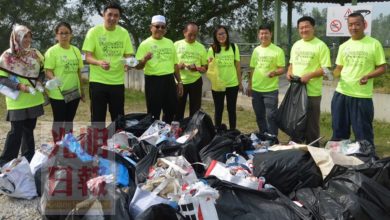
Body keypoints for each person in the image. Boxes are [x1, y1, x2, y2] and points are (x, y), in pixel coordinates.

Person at [331, 12, 386, 145]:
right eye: (350, 24)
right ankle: (340, 160)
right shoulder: (344, 46)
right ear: (347, 26)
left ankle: (366, 160)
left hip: (361, 96)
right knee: (339, 130)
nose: (353, 27)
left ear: (364, 25)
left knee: (363, 132)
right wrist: (333, 74)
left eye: (357, 24)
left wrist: (368, 75)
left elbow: (383, 68)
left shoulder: (374, 44)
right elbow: (339, 68)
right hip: (341, 93)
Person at [82, 2, 134, 127]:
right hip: (98, 81)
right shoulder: (93, 32)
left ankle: (116, 145)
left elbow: (128, 55)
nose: (112, 18)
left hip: (117, 82)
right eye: (109, 14)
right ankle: (98, 145)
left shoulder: (124, 33)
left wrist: (128, 63)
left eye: (116, 15)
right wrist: (99, 62)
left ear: (119, 17)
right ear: (103, 15)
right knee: (98, 118)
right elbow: (87, 57)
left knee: (118, 118)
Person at [0, 25, 44, 166]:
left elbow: (42, 71)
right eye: (24, 36)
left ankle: (28, 159)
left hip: (33, 98)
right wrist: (19, 86)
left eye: (29, 36)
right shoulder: (7, 56)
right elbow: (1, 78)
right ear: (16, 37)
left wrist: (39, 81)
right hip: (17, 100)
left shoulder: (35, 53)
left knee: (29, 130)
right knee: (15, 132)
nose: (27, 39)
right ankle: (6, 161)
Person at [287, 16, 331, 146]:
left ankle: (313, 151)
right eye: (301, 28)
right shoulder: (296, 45)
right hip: (295, 91)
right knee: (295, 122)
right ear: (298, 29)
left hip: (312, 92)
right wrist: (289, 72)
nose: (304, 30)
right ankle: (295, 149)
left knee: (311, 125)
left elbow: (326, 69)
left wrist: (310, 75)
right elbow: (291, 64)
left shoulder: (320, 46)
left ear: (313, 28)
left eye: (307, 27)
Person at [135, 15, 183, 124]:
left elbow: (175, 64)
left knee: (171, 110)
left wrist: (179, 82)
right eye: (157, 26)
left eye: (163, 27)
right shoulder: (145, 44)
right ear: (151, 27)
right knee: (153, 113)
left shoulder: (170, 42)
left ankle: (167, 135)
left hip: (169, 80)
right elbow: (138, 66)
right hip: (153, 81)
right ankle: (153, 137)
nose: (160, 29)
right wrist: (144, 59)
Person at [44, 22, 84, 142]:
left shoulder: (76, 50)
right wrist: (53, 79)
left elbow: (78, 71)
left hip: (73, 92)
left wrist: (82, 90)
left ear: (71, 35)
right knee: (59, 120)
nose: (64, 36)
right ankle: (57, 145)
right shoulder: (52, 51)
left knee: (69, 120)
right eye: (61, 33)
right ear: (56, 36)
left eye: (67, 33)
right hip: (58, 93)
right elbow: (48, 70)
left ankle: (67, 145)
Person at [247, 24, 285, 136]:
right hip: (256, 89)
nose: (264, 35)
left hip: (271, 90)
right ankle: (263, 136)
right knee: (259, 115)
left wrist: (275, 73)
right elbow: (252, 68)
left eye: (266, 33)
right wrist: (250, 85)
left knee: (271, 116)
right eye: (261, 33)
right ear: (259, 35)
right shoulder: (256, 50)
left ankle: (273, 138)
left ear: (271, 34)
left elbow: (282, 69)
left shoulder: (278, 50)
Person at [208, 25, 242, 131]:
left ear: (227, 34)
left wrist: (239, 83)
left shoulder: (233, 47)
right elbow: (210, 68)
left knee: (231, 110)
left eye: (223, 33)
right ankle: (217, 131)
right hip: (218, 85)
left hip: (232, 84)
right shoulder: (212, 49)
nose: (222, 36)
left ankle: (232, 132)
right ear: (215, 36)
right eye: (219, 34)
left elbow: (237, 66)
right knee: (219, 109)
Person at [174, 22, 207, 120]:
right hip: (179, 81)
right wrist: (178, 66)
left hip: (195, 81)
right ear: (184, 32)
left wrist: (200, 69)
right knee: (177, 109)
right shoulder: (176, 45)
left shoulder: (201, 47)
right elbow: (170, 64)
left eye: (195, 35)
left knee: (195, 111)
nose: (192, 37)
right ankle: (177, 131)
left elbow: (205, 66)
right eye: (190, 35)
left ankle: (192, 131)